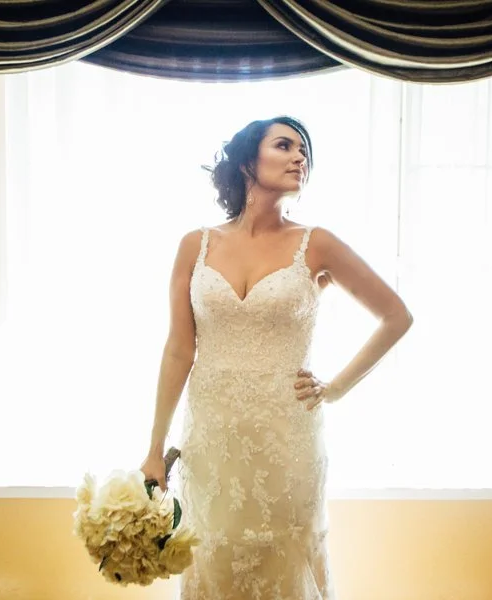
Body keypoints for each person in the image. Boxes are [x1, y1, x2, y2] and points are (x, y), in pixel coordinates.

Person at [141, 116, 413, 599]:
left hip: (287, 437)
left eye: (304, 151)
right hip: (211, 437)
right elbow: (179, 350)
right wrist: (154, 448)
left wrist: (336, 388)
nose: (299, 157)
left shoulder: (317, 243)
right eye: (284, 145)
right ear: (248, 161)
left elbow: (396, 316)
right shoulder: (194, 246)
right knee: (212, 555)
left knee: (282, 559)